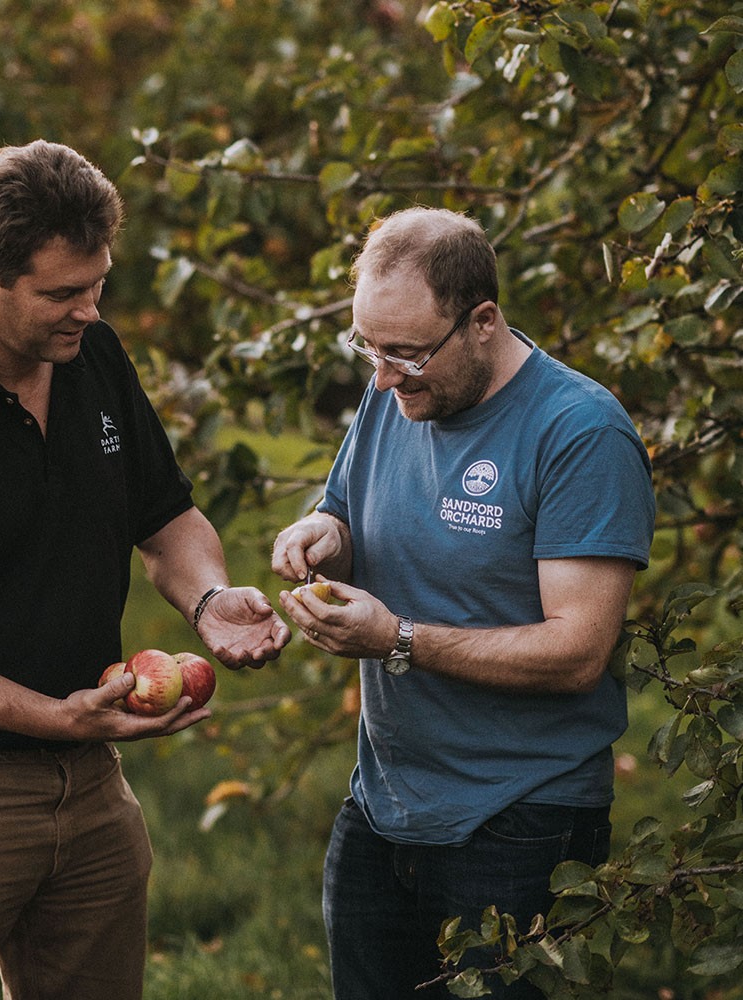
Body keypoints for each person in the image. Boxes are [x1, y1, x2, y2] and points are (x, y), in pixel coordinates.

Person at [0, 139, 290, 1000]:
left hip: (86, 770)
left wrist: (210, 600)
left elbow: (167, 516)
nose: (88, 310)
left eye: (99, 284)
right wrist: (48, 715)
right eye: (62, 293)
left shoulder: (92, 358)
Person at [272, 207, 655, 998]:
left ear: (483, 321)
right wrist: (319, 533)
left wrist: (399, 639)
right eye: (367, 348)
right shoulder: (397, 389)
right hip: (385, 799)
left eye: (406, 353)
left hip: (520, 819)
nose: (380, 377)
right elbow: (346, 506)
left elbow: (579, 650)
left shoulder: (578, 432)